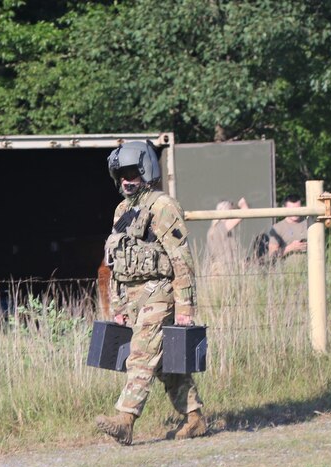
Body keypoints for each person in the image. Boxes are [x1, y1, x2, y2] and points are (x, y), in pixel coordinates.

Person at [96, 140, 206, 445]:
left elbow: (181, 259)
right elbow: (115, 260)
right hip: (132, 297)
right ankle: (195, 417)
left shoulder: (163, 206)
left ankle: (125, 419)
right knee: (164, 365)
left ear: (146, 170)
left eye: (131, 172)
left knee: (141, 354)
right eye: (120, 174)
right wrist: (117, 304)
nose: (126, 180)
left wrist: (185, 307)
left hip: (160, 292)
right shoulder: (122, 209)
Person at [205, 198, 249, 275]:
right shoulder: (222, 227)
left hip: (218, 269)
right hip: (227, 269)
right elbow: (245, 212)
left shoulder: (212, 229)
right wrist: (243, 204)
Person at [267, 194, 307, 264]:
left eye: (297, 209)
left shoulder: (309, 224)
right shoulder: (277, 228)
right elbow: (272, 256)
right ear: (284, 208)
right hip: (286, 273)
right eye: (291, 210)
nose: (295, 212)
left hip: (310, 272)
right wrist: (291, 248)